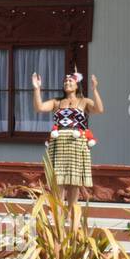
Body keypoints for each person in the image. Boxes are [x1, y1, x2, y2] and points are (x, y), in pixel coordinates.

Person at [32, 70, 103, 224]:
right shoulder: (57, 102)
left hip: (77, 143)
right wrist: (37, 88)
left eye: (71, 81)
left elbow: (99, 109)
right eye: (65, 82)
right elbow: (39, 108)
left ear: (77, 85)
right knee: (58, 180)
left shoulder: (83, 101)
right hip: (58, 143)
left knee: (74, 181)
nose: (67, 83)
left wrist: (95, 89)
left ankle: (71, 214)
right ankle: (57, 216)